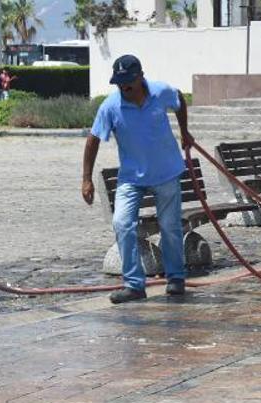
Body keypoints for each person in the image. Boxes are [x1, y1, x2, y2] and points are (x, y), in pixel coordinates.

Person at [81, 54, 194, 304]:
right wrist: (86, 178)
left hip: (166, 172)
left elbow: (180, 101)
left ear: (140, 77)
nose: (124, 87)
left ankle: (175, 278)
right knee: (122, 223)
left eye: (128, 82)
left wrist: (185, 132)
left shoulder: (161, 92)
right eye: (119, 83)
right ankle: (134, 285)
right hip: (131, 178)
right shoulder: (110, 106)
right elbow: (93, 139)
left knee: (170, 226)